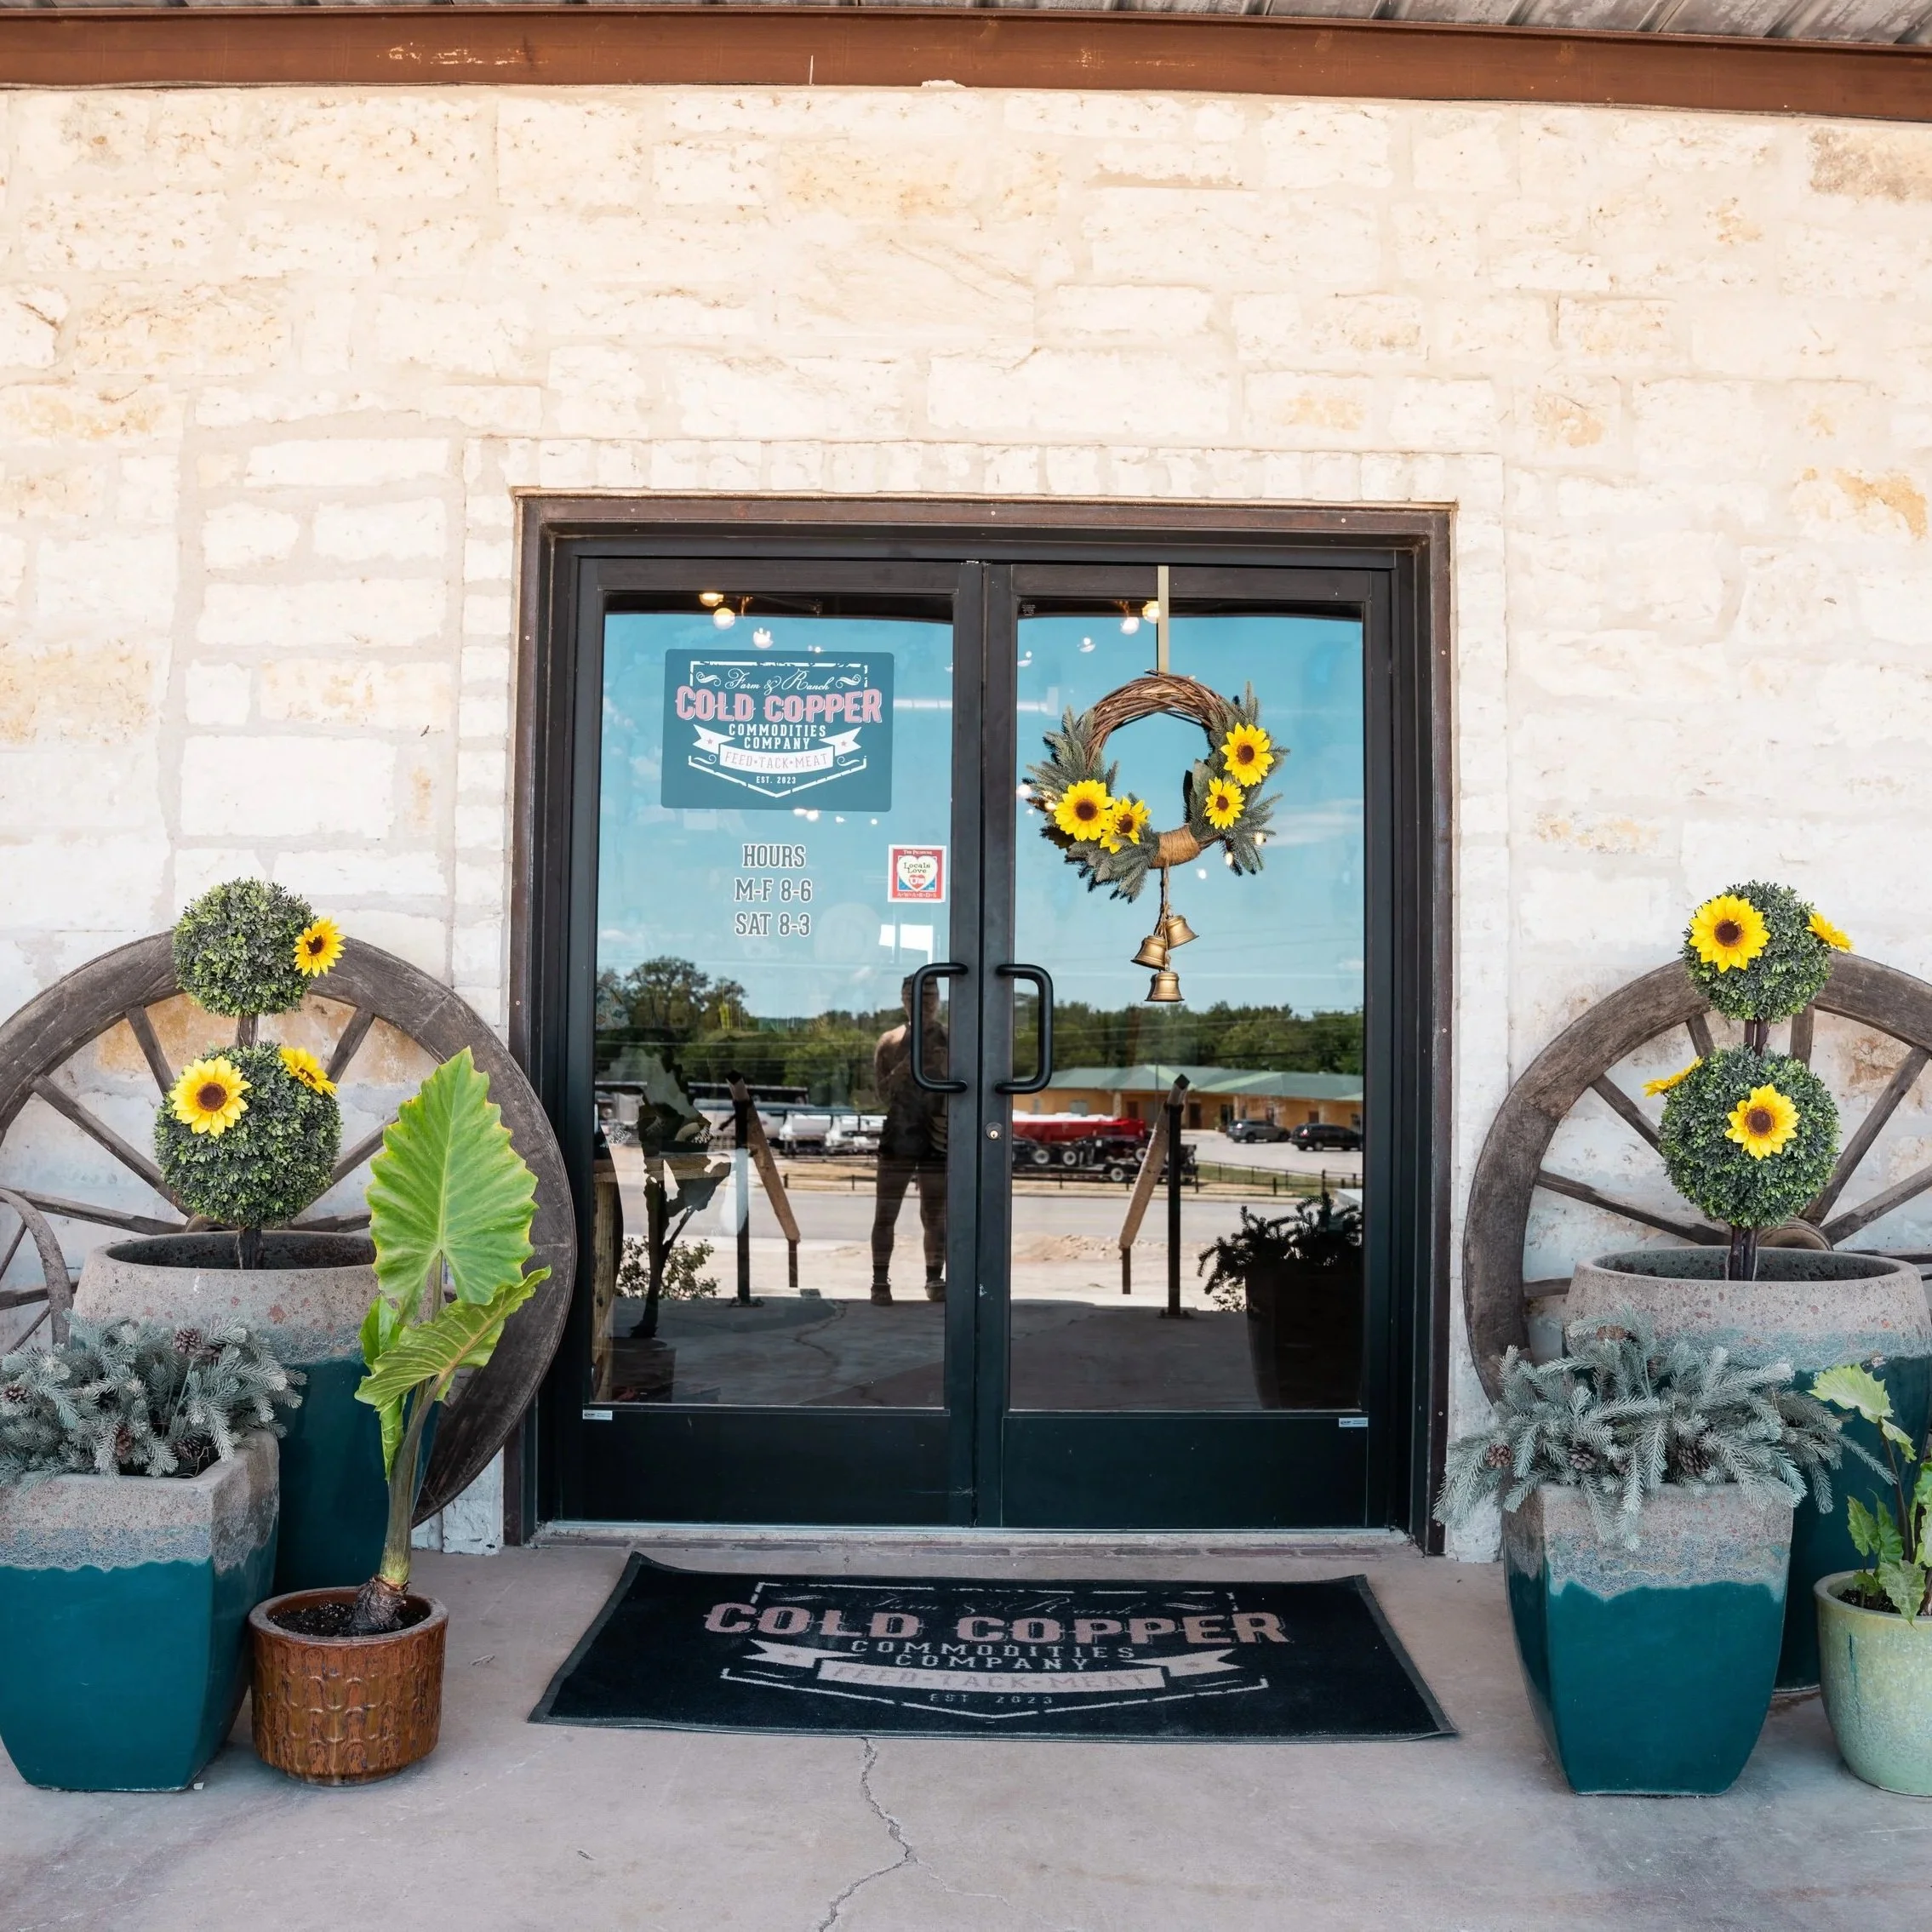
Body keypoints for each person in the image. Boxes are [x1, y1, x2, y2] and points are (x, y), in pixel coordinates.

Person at [870, 973, 948, 1304]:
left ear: (939, 999)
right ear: (904, 1001)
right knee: (886, 1211)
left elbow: (963, 1087)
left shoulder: (951, 1038)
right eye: (915, 997)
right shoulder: (890, 1041)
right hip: (899, 1132)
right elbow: (881, 1094)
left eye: (929, 997)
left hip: (937, 1133)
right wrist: (907, 1064)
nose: (923, 1004)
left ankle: (934, 1278)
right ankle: (879, 1280)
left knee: (936, 1212)